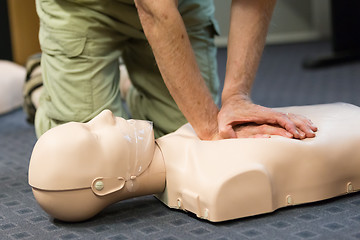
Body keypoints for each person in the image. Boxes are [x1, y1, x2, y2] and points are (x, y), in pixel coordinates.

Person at [28, 103, 360, 222]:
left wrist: (235, 99)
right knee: (62, 109)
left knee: (186, 91)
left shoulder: (184, 138)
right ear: (105, 185)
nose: (105, 115)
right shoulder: (213, 180)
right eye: (95, 135)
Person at [33, 0, 316, 140]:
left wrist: (237, 98)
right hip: (83, 6)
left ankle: (128, 83)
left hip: (179, 5)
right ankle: (38, 84)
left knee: (178, 137)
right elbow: (154, 9)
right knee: (85, 155)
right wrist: (209, 127)